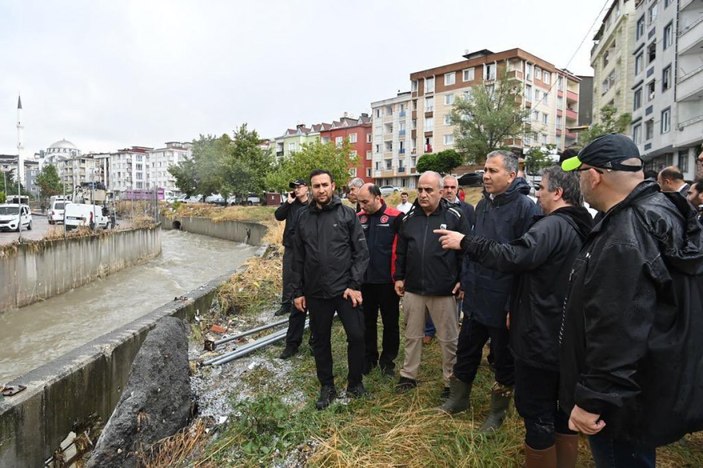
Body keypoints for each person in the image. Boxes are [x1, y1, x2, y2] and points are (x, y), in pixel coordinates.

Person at [560, 133, 703, 466]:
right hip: (645, 385)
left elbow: (618, 328)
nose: (579, 180)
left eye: (580, 172)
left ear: (593, 176)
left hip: (620, 403)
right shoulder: (659, 210)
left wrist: (592, 400)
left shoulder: (624, 236)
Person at [436, 166, 593, 468]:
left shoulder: (549, 224)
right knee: (558, 411)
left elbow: (515, 255)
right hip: (549, 326)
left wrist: (466, 242)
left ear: (558, 193)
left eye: (543, 188)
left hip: (538, 330)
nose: (538, 193)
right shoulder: (577, 225)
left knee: (536, 410)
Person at [450, 150, 540, 432]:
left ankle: (497, 413)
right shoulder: (483, 205)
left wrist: (515, 304)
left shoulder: (527, 209)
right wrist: (466, 280)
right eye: (484, 170)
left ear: (512, 176)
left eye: (492, 171)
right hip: (476, 295)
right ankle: (458, 398)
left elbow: (525, 260)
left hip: (503, 299)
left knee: (503, 358)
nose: (485, 176)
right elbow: (474, 247)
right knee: (466, 350)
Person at [291, 169, 370, 410]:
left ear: (333, 186)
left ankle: (355, 383)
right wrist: (297, 292)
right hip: (316, 292)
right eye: (316, 186)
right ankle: (327, 386)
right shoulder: (302, 218)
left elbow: (361, 253)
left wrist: (354, 284)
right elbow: (297, 258)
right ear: (311, 189)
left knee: (357, 336)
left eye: (325, 185)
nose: (321, 190)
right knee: (320, 340)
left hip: (345, 289)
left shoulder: (347, 214)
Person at [394, 171, 469, 396]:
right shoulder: (408, 218)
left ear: (440, 191)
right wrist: (399, 276)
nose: (423, 194)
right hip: (414, 289)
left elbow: (466, 252)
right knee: (412, 335)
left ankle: (450, 380)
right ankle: (408, 375)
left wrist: (463, 280)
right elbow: (401, 251)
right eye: (420, 189)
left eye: (429, 190)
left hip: (444, 290)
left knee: (449, 339)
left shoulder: (455, 216)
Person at [356, 183, 402, 377]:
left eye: (365, 201)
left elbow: (401, 250)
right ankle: (369, 358)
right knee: (367, 322)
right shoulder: (358, 219)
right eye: (359, 202)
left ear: (377, 197)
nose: (362, 206)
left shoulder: (395, 217)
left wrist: (400, 276)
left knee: (390, 323)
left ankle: (388, 361)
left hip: (387, 282)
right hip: (365, 282)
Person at [424, 175, 476, 344]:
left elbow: (469, 240)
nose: (449, 190)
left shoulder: (467, 210)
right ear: (440, 189)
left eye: (452, 187)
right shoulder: (433, 209)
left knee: (454, 301)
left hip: (456, 262)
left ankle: (452, 332)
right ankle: (430, 330)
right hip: (436, 264)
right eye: (446, 187)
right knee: (432, 299)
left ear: (457, 189)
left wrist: (465, 275)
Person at [274, 178, 310, 359]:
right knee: (289, 278)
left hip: (309, 251)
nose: (296, 190)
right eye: (294, 187)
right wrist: (288, 202)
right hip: (291, 247)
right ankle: (285, 304)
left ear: (306, 188)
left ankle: (314, 342)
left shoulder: (312, 205)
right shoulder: (291, 204)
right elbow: (278, 215)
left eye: (299, 187)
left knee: (309, 289)